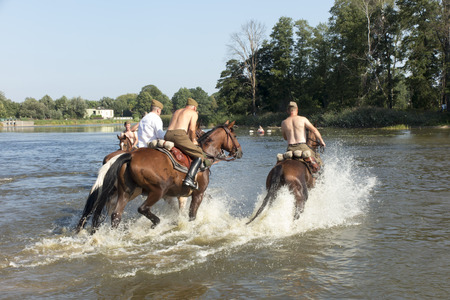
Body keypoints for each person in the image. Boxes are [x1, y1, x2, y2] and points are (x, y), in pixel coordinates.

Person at [164, 98, 209, 189]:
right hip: (179, 135)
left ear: (186, 105)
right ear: (195, 108)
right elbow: (192, 129)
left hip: (167, 134)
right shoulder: (193, 113)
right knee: (199, 154)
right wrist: (193, 140)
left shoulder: (177, 111)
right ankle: (189, 178)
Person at [281, 101, 326, 166]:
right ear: (297, 110)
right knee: (319, 162)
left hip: (290, 149)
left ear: (288, 111)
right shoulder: (303, 119)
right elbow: (314, 130)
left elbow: (285, 138)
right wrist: (322, 141)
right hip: (302, 147)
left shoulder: (283, 123)